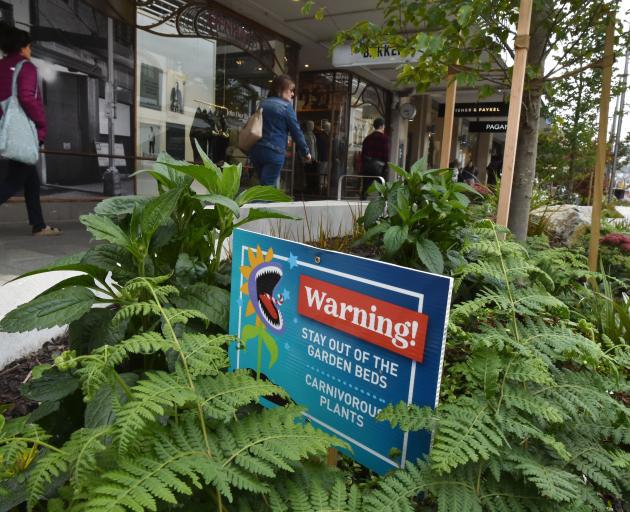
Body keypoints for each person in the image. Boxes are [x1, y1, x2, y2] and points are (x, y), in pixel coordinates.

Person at [0, 24, 60, 235]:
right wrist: (41, 124)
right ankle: (39, 225)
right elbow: (27, 97)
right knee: (14, 180)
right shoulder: (25, 67)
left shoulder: (1, 66)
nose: (30, 51)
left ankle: (39, 225)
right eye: (30, 47)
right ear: (24, 47)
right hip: (22, 133)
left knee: (31, 179)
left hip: (4, 130)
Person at [249, 75, 311, 187]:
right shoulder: (286, 107)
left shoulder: (262, 104)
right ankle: (257, 204)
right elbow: (296, 132)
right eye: (291, 90)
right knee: (267, 190)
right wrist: (305, 152)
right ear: (281, 89)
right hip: (274, 152)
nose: (292, 94)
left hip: (256, 150)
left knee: (264, 186)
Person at [360, 117, 390, 199]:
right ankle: (382, 203)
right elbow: (386, 153)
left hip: (367, 166)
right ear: (381, 126)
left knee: (366, 186)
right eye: (384, 126)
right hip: (379, 167)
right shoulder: (384, 138)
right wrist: (386, 165)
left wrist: (363, 165)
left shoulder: (367, 138)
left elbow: (363, 154)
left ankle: (362, 200)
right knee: (382, 186)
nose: (384, 127)